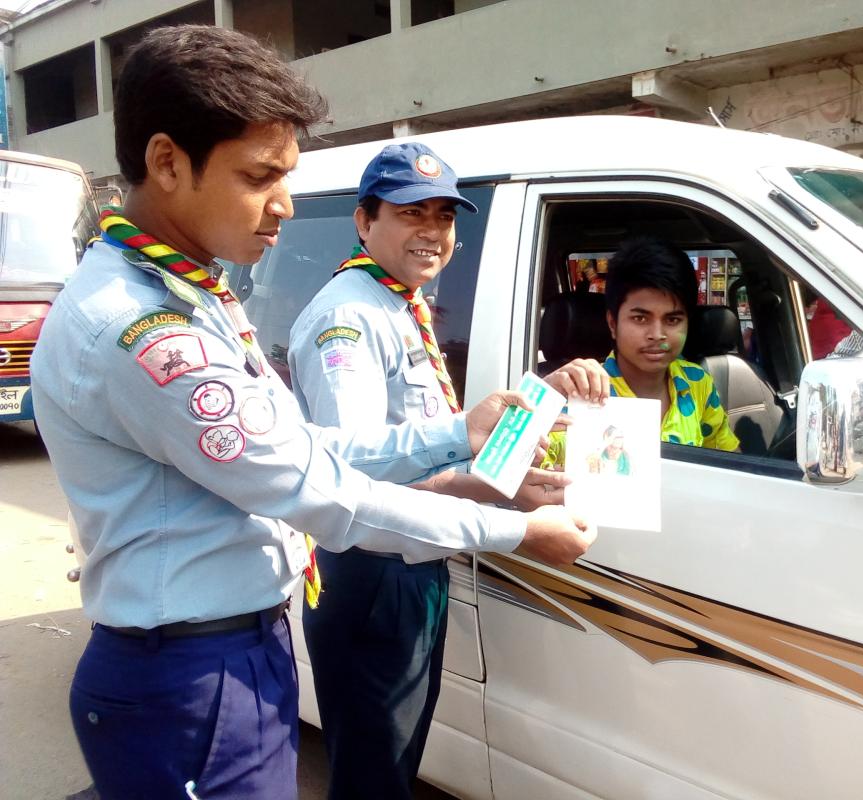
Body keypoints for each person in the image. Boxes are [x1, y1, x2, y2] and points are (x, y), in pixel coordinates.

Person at [29, 26, 594, 800]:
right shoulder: (141, 330)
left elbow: (302, 447)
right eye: (259, 175)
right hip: (193, 679)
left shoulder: (185, 296)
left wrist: (457, 433)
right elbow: (321, 493)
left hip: (225, 653)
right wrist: (516, 530)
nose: (286, 205)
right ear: (166, 162)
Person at [287, 142, 568, 799]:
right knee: (372, 777)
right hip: (372, 574)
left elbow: (417, 461)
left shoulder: (400, 306)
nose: (432, 232)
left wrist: (513, 472)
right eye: (412, 213)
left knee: (394, 760)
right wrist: (467, 432)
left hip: (413, 570)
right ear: (364, 221)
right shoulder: (347, 318)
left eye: (443, 217)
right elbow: (352, 464)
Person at [544, 236, 740, 461]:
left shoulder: (698, 383)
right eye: (640, 318)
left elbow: (729, 460)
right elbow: (518, 470)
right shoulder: (582, 392)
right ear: (612, 324)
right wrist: (542, 403)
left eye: (673, 320)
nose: (657, 335)